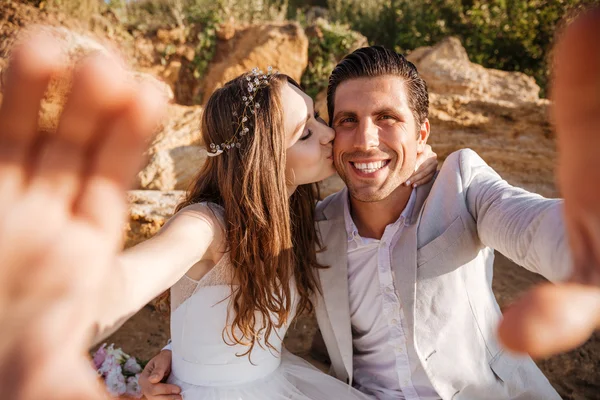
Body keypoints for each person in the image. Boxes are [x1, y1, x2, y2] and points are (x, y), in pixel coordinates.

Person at [140, 8, 600, 400]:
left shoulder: (461, 184)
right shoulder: (311, 228)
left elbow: (530, 222)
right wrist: (179, 352)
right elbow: (237, 283)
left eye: (387, 119)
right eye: (346, 120)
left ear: (421, 134)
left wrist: (586, 243)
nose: (365, 141)